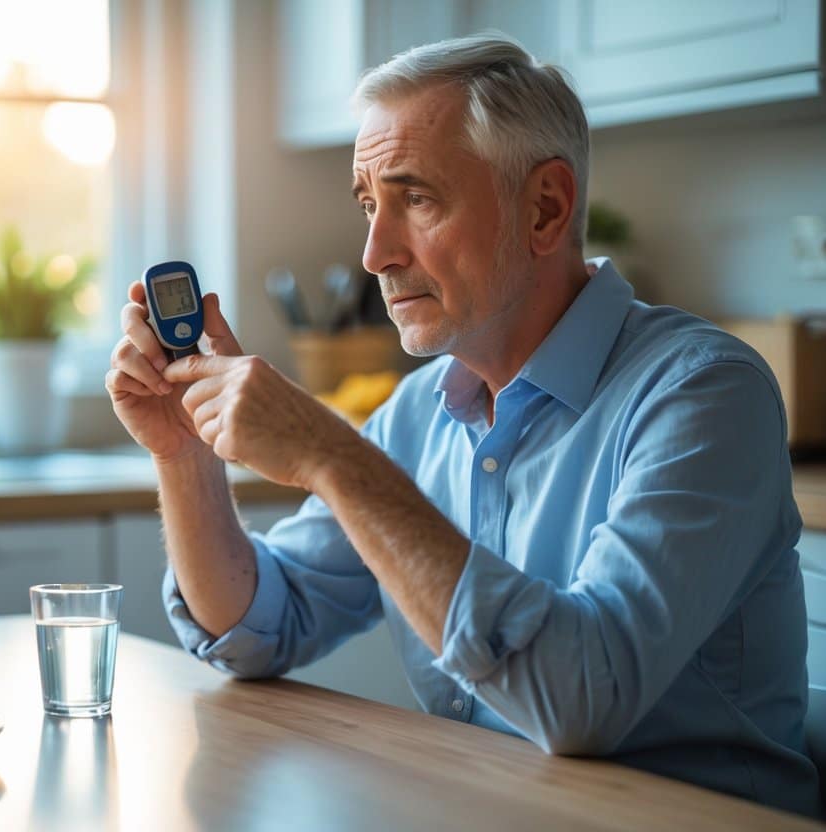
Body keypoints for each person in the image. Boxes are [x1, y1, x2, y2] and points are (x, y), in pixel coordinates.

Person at [105, 34, 819, 817]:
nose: (375, 253)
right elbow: (255, 628)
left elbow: (586, 698)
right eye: (369, 205)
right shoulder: (418, 413)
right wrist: (183, 453)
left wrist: (331, 457)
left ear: (543, 208)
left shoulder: (702, 392)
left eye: (415, 199)